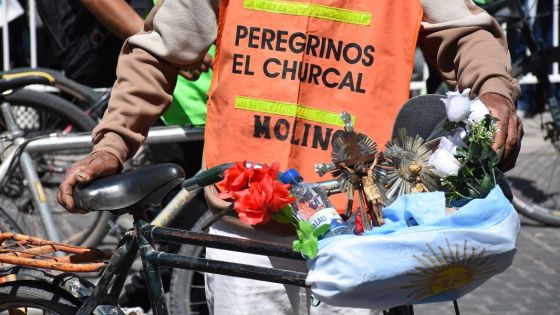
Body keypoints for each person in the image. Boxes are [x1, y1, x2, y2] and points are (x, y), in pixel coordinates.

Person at [58, 0, 523, 313]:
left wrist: (494, 92)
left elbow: (466, 33)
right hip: (246, 231)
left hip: (360, 232)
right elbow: (158, 49)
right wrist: (114, 142)